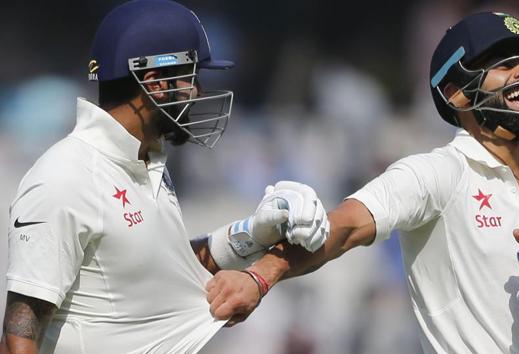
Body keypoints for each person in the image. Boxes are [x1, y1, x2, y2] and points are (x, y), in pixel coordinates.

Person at [206, 12, 519, 353]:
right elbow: (344, 227)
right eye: (504, 63)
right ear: (456, 92)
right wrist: (259, 278)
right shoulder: (436, 173)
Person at [0, 1, 327, 353]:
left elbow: (161, 267)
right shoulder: (66, 177)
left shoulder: (146, 161)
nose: (198, 92)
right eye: (191, 78)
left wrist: (251, 234)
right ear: (154, 83)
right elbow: (19, 336)